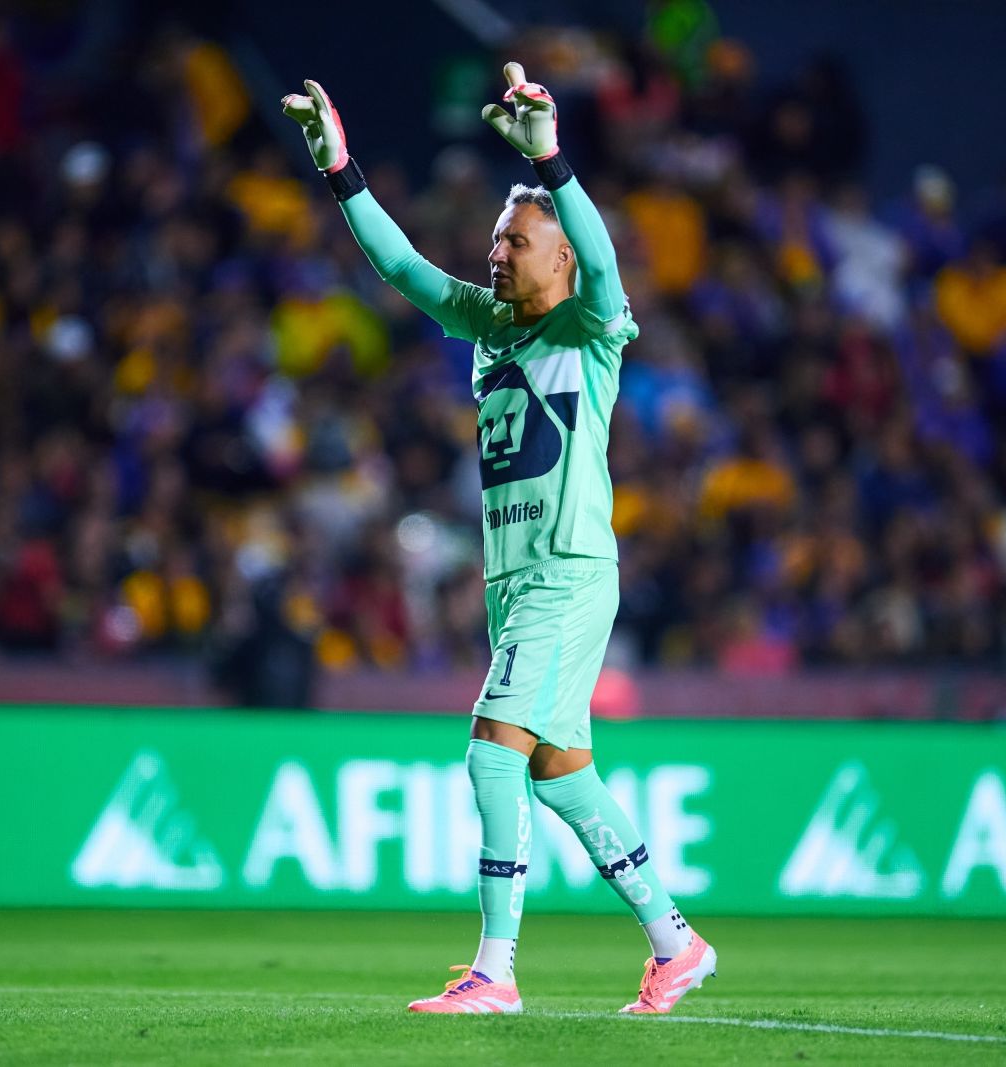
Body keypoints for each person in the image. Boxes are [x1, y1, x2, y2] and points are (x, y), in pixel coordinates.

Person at [281, 64, 715, 1016]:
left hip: (566, 570)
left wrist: (552, 161)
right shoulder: (489, 326)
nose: (498, 252)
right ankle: (676, 943)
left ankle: (495, 970)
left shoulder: (590, 325)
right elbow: (403, 269)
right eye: (495, 238)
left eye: (517, 241)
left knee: (491, 751)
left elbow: (604, 257)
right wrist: (341, 170)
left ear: (560, 261)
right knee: (561, 773)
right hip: (514, 582)